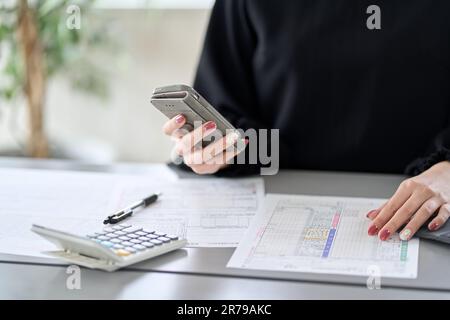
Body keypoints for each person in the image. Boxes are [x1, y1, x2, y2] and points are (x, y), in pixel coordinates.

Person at [161, 1, 450, 242]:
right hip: (275, 218)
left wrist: (447, 165)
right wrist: (219, 149)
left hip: (421, 211)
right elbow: (229, 113)